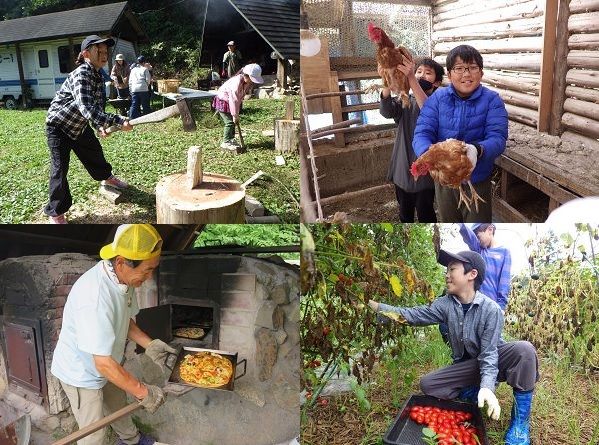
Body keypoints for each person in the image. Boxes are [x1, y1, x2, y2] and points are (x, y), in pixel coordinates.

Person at [368, 250, 539, 445]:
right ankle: (472, 391)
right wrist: (376, 307)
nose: (447, 274)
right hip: (468, 366)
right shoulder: (445, 305)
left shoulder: (491, 309)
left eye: (452, 269)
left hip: (496, 361)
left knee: (524, 350)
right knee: (428, 384)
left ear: (471, 274)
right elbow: (413, 315)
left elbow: (490, 354)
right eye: (447, 270)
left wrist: (488, 386)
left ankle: (520, 423)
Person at [51, 224, 177, 445]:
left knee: (119, 406)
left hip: (107, 362)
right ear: (121, 262)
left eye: (153, 269)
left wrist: (150, 345)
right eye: (146, 270)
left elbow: (123, 319)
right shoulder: (95, 298)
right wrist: (143, 391)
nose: (149, 277)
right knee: (93, 435)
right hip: (82, 372)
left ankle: (131, 440)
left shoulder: (124, 280)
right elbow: (102, 363)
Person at [413, 45, 509, 222]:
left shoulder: (492, 100)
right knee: (449, 223)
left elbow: (498, 137)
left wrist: (477, 150)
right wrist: (431, 154)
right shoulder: (437, 99)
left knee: (477, 225)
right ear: (449, 75)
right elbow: (422, 131)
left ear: (481, 72)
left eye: (472, 68)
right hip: (444, 180)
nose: (466, 74)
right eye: (459, 68)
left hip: (477, 179)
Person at [44, 35, 133, 224]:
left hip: (78, 125)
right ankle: (56, 212)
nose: (104, 55)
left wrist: (101, 125)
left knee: (94, 152)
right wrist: (117, 119)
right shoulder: (82, 73)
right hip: (58, 126)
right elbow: (86, 107)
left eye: (105, 51)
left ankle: (106, 177)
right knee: (60, 169)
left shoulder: (99, 76)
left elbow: (97, 108)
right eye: (98, 51)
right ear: (86, 54)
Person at [379, 58, 444, 222]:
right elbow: (386, 111)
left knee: (426, 213)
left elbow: (428, 111)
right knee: (404, 213)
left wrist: (411, 79)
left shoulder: (440, 103)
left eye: (428, 73)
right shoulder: (405, 99)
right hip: (402, 166)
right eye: (419, 71)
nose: (421, 76)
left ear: (436, 83)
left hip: (426, 170)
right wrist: (387, 82)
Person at [212, 63, 264, 153]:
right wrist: (235, 115)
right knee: (229, 122)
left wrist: (236, 112)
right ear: (246, 76)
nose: (252, 82)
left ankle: (231, 139)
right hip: (222, 101)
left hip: (230, 102)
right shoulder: (236, 83)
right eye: (252, 79)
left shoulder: (246, 83)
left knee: (233, 122)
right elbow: (233, 99)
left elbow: (239, 99)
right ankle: (226, 141)